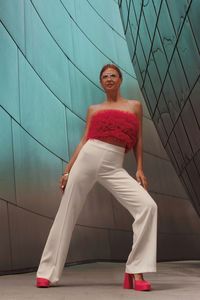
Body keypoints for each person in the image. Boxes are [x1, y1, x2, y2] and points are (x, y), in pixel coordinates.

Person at [36, 64, 157, 291]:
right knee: (67, 211)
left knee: (148, 207)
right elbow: (84, 140)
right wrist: (68, 170)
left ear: (120, 80)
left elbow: (139, 138)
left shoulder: (134, 106)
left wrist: (140, 168)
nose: (109, 79)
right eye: (105, 77)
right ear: (101, 83)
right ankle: (47, 272)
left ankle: (135, 271)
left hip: (114, 164)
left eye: (113, 75)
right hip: (89, 155)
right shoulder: (94, 109)